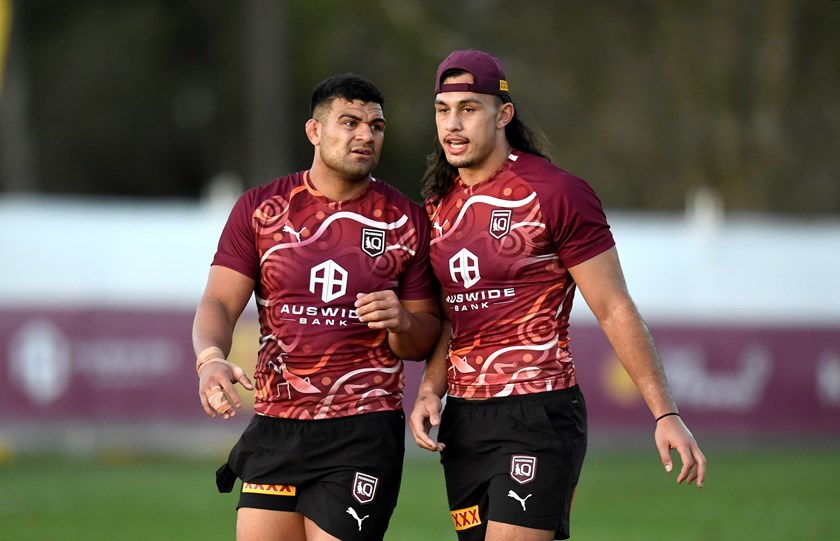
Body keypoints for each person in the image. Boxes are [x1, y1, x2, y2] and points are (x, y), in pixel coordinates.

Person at [409, 49, 706, 541]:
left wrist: (665, 413)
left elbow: (613, 307)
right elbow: (451, 317)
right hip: (463, 421)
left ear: (503, 114)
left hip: (538, 412)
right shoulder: (438, 205)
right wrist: (429, 391)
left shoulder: (555, 193)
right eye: (443, 110)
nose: (452, 125)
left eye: (469, 109)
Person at [193, 73, 441, 541]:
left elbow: (423, 338)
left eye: (376, 126)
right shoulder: (261, 209)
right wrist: (209, 360)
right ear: (314, 130)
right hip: (276, 426)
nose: (365, 135)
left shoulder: (406, 221)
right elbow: (219, 302)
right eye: (350, 122)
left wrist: (403, 322)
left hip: (362, 428)